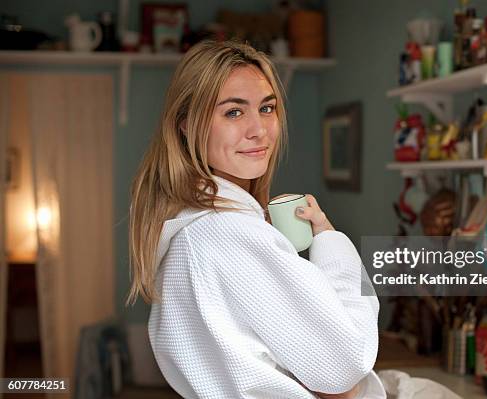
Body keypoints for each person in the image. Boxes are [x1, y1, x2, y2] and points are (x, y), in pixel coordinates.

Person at [127, 40, 385, 399]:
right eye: (233, 112)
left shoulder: (190, 224)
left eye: (267, 108)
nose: (259, 129)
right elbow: (343, 366)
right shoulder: (226, 233)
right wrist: (329, 239)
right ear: (186, 124)